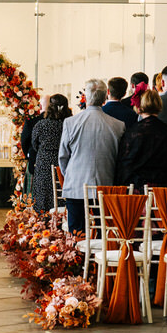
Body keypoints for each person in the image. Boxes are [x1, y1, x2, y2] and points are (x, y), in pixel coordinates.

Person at [58, 79, 125, 233]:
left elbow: (63, 157)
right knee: (104, 232)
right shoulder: (118, 125)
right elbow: (119, 158)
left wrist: (70, 175)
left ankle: (78, 256)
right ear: (104, 98)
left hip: (76, 184)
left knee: (76, 233)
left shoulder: (71, 122)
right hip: (105, 184)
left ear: (86, 98)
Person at [115, 89, 167, 190]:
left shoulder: (132, 132)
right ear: (159, 105)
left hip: (139, 191)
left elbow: (125, 164)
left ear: (140, 107)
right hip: (164, 191)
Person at [31, 94, 72, 214]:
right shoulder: (69, 125)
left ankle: (43, 221)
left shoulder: (41, 124)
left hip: (44, 162)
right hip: (64, 163)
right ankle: (60, 221)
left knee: (43, 194)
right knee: (61, 192)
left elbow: (34, 144)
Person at [19, 94, 48, 194]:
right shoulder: (60, 123)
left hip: (34, 161)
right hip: (54, 165)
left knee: (31, 195)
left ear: (40, 107)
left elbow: (24, 141)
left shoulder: (31, 122)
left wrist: (29, 154)